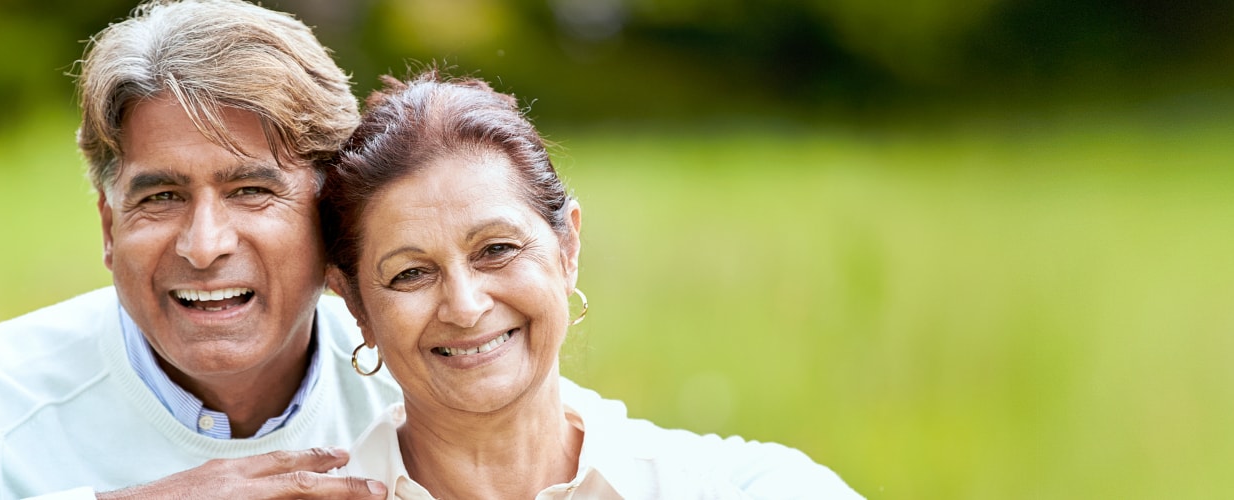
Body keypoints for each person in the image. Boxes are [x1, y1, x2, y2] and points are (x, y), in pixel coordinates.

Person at [0, 1, 403, 499]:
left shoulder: (420, 379)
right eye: (161, 197)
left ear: (331, 219)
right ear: (110, 229)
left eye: (249, 191)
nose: (204, 245)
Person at [316, 71, 863, 499]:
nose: (464, 305)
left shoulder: (720, 489)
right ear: (357, 304)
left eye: (497, 250)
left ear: (567, 248)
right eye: (411, 273)